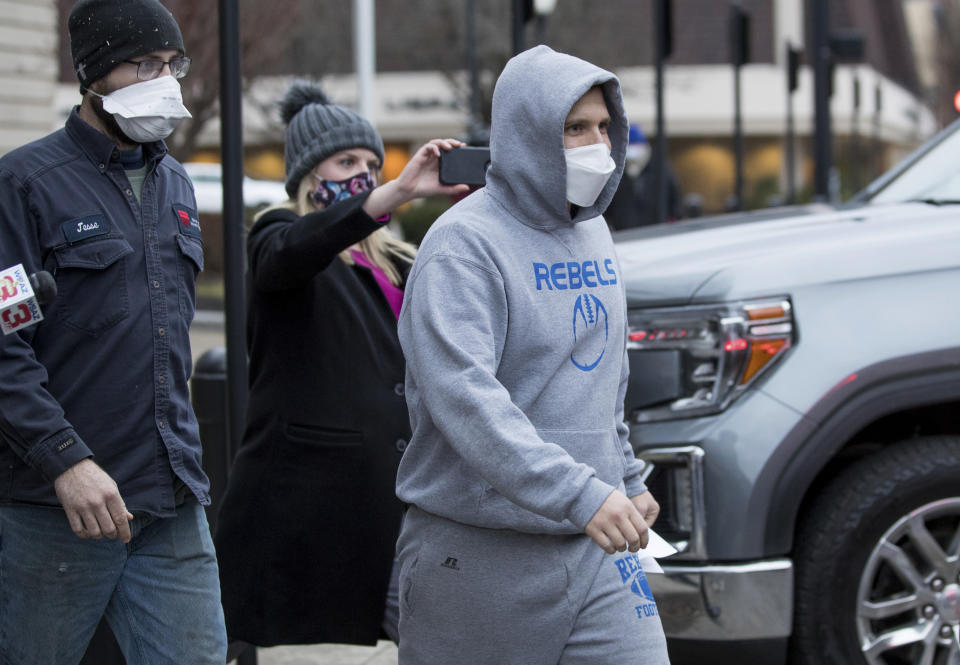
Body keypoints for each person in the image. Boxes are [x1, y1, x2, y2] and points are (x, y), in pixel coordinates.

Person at [394, 45, 671, 665]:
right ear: (526, 134)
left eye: (604, 127)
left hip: (596, 550)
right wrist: (584, 494)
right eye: (575, 128)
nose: (597, 144)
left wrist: (625, 479)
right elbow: (467, 402)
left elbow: (605, 380)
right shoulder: (463, 245)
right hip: (478, 559)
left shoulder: (595, 231)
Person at [0, 1, 227, 663]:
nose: (164, 79)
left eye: (171, 64)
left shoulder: (175, 182)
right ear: (93, 75)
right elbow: (3, 347)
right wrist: (66, 460)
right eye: (143, 64)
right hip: (59, 507)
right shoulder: (24, 185)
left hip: (170, 495)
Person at [213, 81, 468, 648]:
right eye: (345, 160)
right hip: (317, 515)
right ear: (308, 172)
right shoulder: (276, 236)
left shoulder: (397, 261)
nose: (363, 173)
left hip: (402, 497)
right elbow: (293, 253)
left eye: (372, 163)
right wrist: (389, 197)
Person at [604, 122, 682, 230]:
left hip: (656, 231)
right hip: (624, 233)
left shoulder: (660, 168)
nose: (632, 150)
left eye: (635, 145)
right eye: (629, 146)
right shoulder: (615, 170)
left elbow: (674, 198)